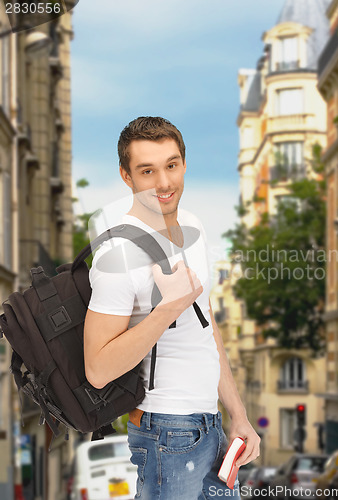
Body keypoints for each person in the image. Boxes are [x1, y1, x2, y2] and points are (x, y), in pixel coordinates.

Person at [83, 116, 260, 499]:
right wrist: (166, 309)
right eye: (147, 170)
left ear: (183, 163)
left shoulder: (194, 226)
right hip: (165, 432)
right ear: (126, 176)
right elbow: (97, 369)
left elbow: (205, 329)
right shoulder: (118, 254)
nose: (164, 183)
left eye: (171, 165)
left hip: (209, 426)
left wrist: (238, 414)